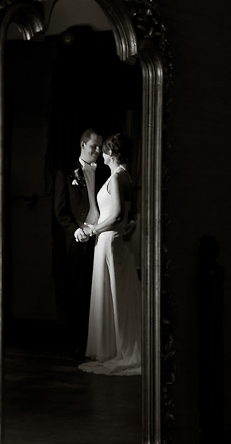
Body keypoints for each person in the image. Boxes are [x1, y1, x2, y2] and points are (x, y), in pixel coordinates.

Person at [79, 133, 142, 376]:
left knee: (113, 291)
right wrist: (133, 225)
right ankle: (116, 345)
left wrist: (95, 229)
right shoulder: (126, 174)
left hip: (110, 240)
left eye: (104, 150)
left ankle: (118, 349)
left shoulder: (117, 177)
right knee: (118, 291)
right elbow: (131, 213)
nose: (101, 154)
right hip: (117, 240)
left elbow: (116, 215)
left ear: (111, 153)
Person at [53, 128, 104, 360]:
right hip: (77, 241)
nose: (98, 150)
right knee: (77, 292)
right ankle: (77, 344)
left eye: (100, 146)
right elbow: (60, 211)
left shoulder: (104, 171)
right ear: (82, 144)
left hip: (101, 238)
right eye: (94, 146)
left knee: (98, 291)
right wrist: (76, 231)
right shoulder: (65, 172)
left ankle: (98, 343)